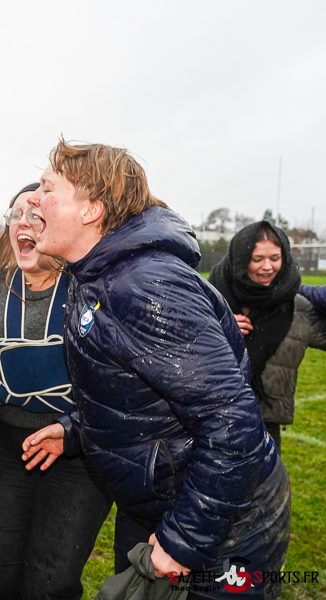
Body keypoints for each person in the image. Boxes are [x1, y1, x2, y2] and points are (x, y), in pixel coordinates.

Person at [23, 140, 290, 600]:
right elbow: (133, 389)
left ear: (91, 209)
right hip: (163, 501)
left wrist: (184, 539)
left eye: (47, 188)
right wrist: (75, 429)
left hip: (223, 519)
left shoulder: (144, 287)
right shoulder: (94, 276)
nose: (32, 200)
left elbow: (232, 423)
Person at [0, 183, 111, 600]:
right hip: (12, 446)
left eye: (37, 214)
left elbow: (98, 388)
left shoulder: (90, 291)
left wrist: (6, 392)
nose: (24, 222)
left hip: (78, 452)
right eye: (16, 214)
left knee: (49, 585)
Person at [208, 221, 326, 455]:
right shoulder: (209, 297)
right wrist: (215, 326)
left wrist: (300, 290)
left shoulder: (297, 306)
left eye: (275, 258)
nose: (267, 267)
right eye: (257, 258)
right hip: (208, 418)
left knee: (267, 491)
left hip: (265, 424)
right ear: (241, 259)